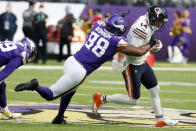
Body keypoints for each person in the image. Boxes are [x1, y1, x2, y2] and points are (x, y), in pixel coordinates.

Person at [14, 12, 158, 124]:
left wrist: (116, 18)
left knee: (71, 91)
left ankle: (59, 117)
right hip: (80, 71)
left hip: (71, 61)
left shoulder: (98, 25)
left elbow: (98, 22)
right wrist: (151, 43)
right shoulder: (117, 41)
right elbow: (139, 51)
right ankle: (35, 86)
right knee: (51, 94)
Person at [92, 6, 179, 127]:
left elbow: (146, 40)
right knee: (133, 100)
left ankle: (160, 119)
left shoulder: (146, 20)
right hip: (132, 65)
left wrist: (152, 42)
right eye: (158, 21)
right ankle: (101, 98)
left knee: (155, 89)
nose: (159, 24)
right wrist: (152, 44)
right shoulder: (141, 28)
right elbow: (135, 51)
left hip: (141, 62)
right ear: (152, 18)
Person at [0, 38, 37, 119]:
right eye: (31, 54)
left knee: (2, 85)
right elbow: (3, 74)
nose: (30, 57)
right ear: (28, 48)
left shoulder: (14, 45)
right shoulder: (19, 55)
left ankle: (6, 112)